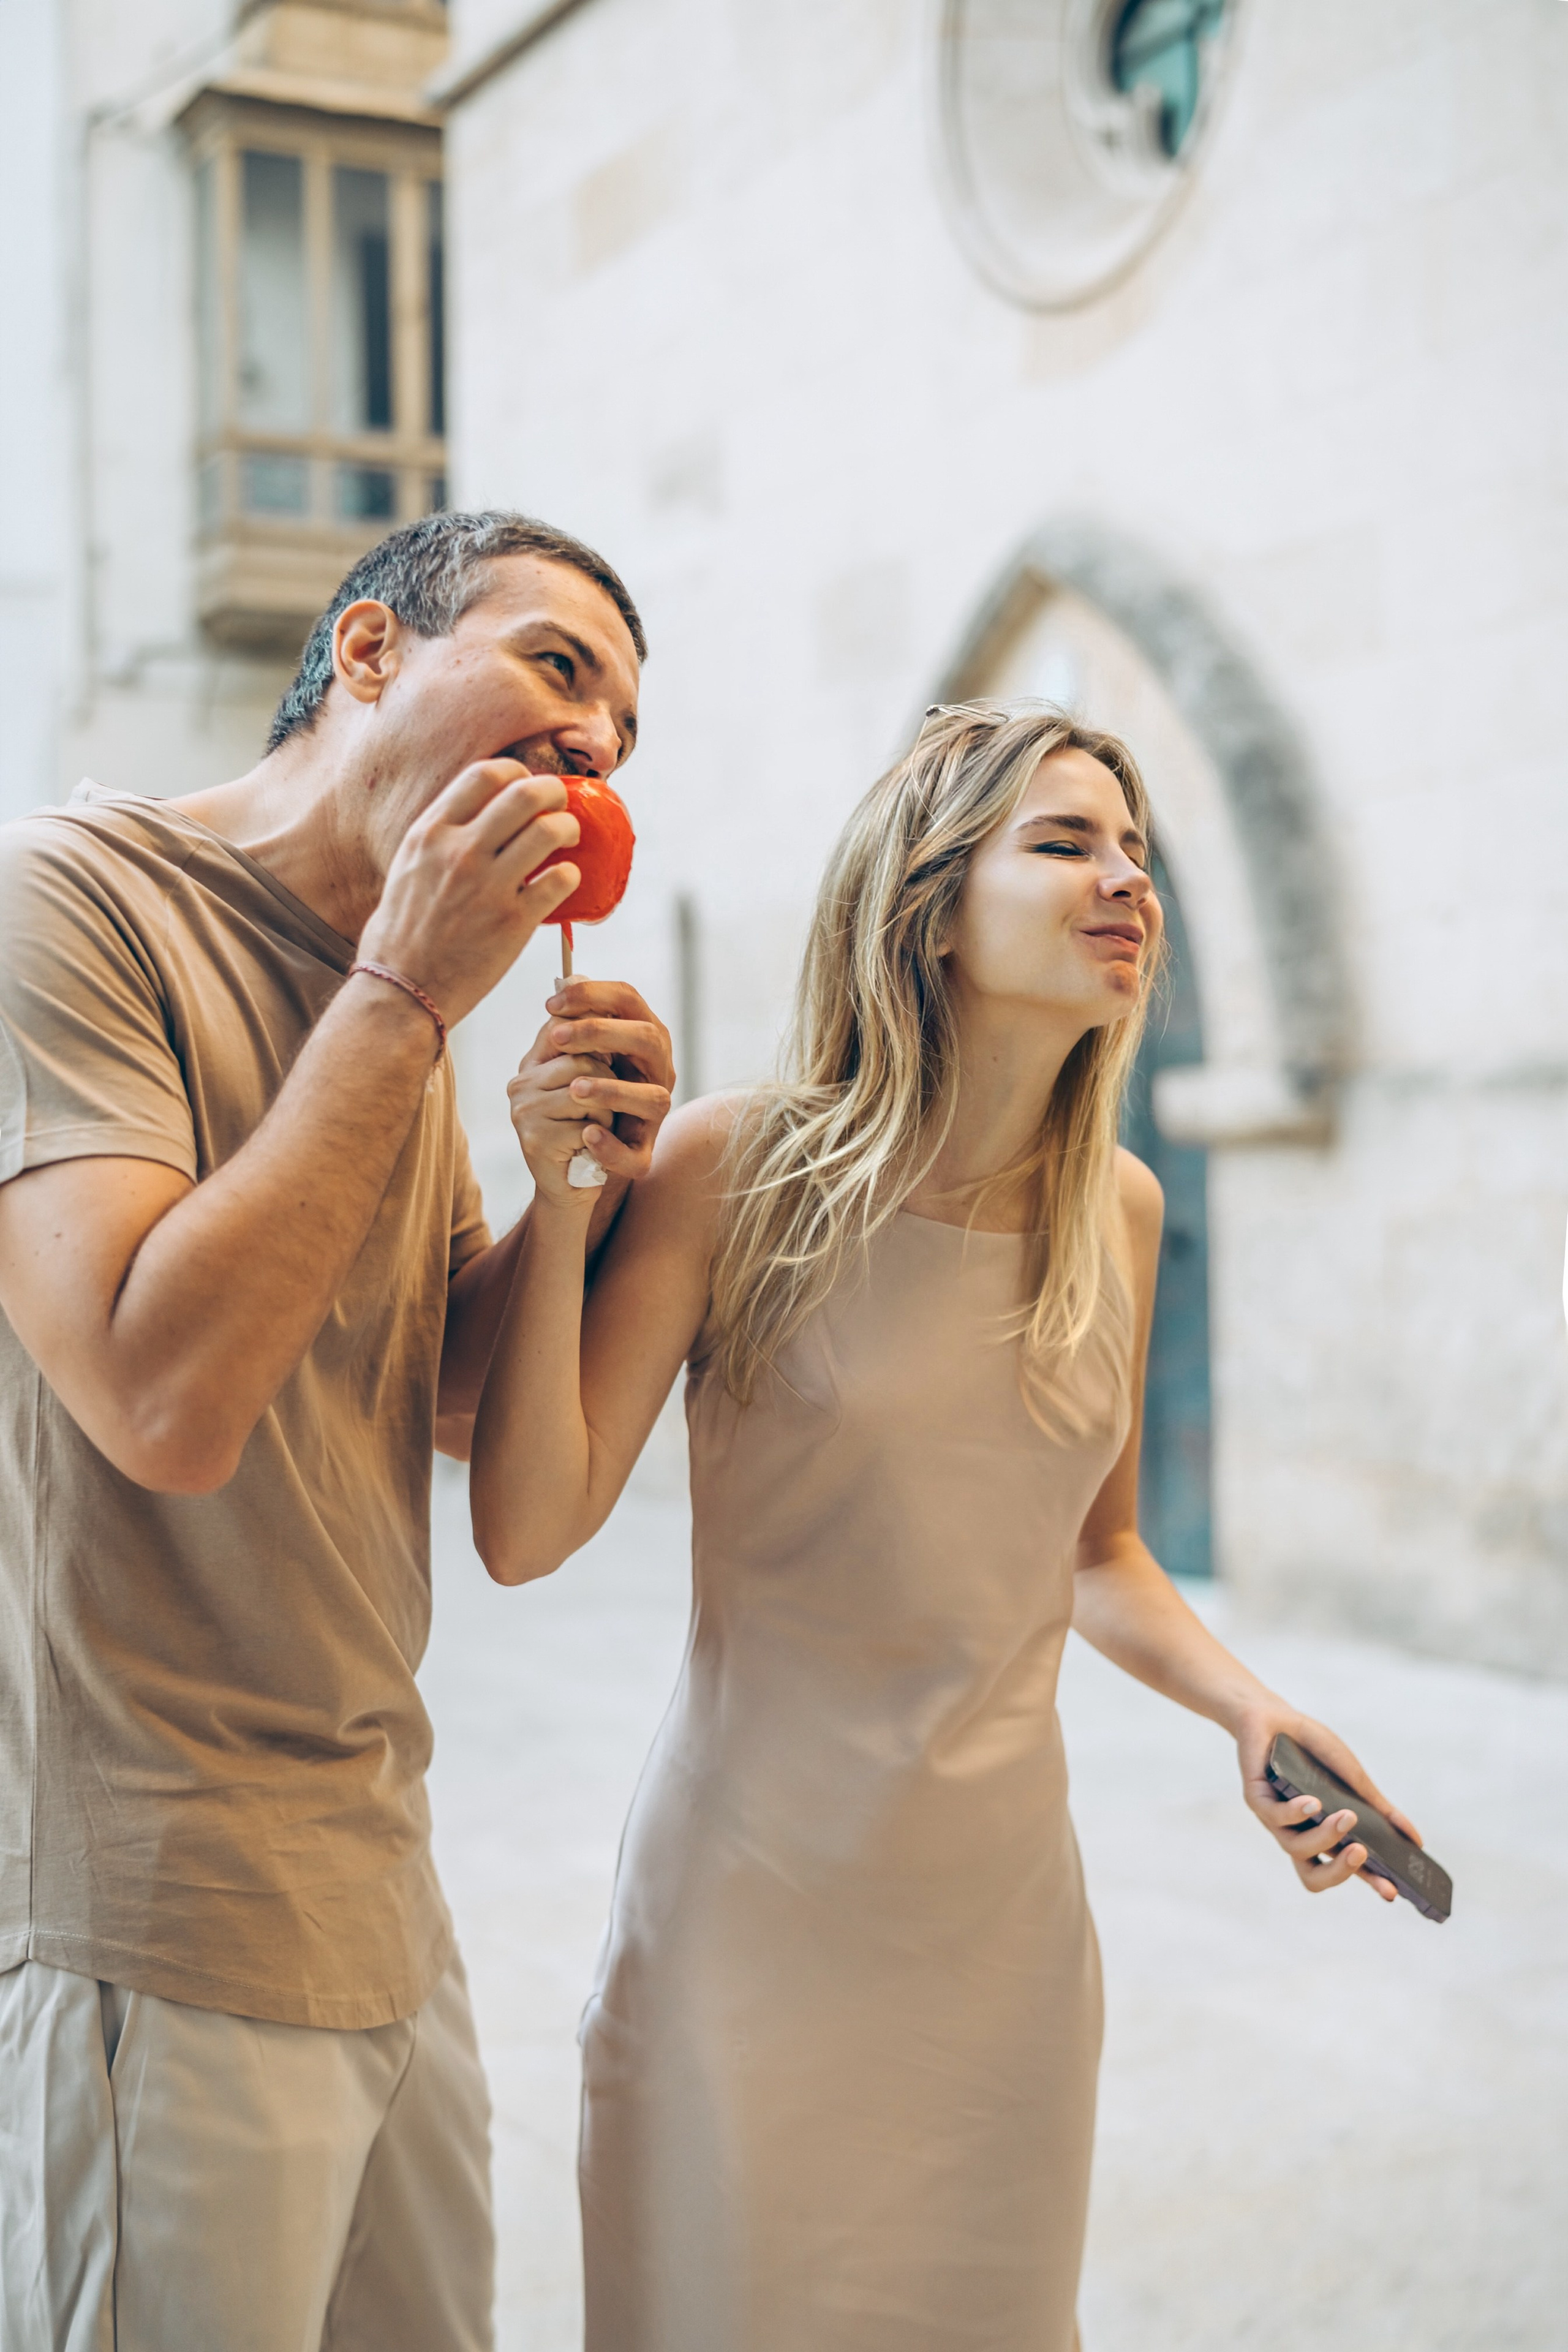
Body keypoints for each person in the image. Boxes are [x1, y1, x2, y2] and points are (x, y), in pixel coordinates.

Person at [472, 702, 1422, 2352]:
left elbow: (1094, 1550)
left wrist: (1249, 1707)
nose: (1127, 877)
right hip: (746, 1924)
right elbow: (527, 1529)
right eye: (1064, 842)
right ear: (928, 903)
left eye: (1134, 848)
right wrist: (563, 1201)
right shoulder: (735, 1169)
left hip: (1000, 1951)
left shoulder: (1116, 1210)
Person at [0, 511, 673, 2351]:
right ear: (368, 653)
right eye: (557, 667)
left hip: (379, 1878)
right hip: (164, 1909)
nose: (598, 744)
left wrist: (568, 1194)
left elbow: (443, 1393)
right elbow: (162, 1398)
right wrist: (407, 998)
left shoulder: (396, 993)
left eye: (625, 724)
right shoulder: (68, 896)